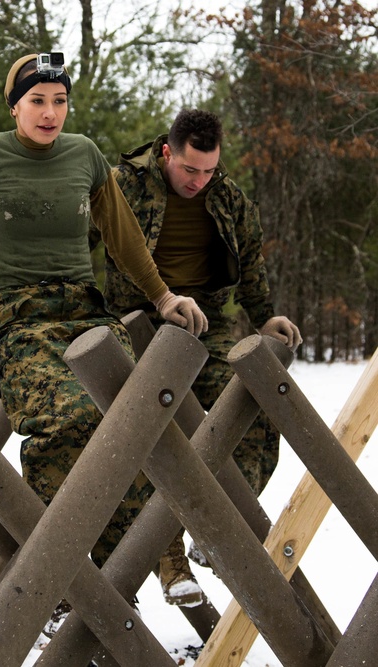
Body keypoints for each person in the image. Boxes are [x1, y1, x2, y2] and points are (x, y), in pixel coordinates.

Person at [0, 52, 208, 633]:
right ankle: (67, 584)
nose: (51, 113)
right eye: (38, 100)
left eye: (60, 100)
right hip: (19, 317)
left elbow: (123, 237)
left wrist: (163, 296)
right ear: (15, 105)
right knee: (65, 420)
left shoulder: (84, 156)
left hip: (84, 313)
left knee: (138, 415)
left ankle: (162, 559)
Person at [103, 108, 301, 607]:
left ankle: (220, 523)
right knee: (151, 427)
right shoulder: (122, 186)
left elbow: (251, 260)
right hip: (136, 321)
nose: (198, 181)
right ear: (168, 152)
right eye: (190, 170)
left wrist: (265, 317)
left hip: (203, 324)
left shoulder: (229, 199)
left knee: (256, 413)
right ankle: (168, 559)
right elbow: (78, 245)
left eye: (209, 171)